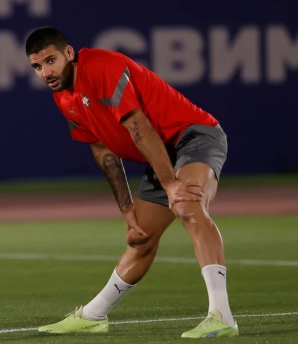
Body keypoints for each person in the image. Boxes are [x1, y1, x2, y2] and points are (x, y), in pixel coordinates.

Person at [25, 27, 238, 339]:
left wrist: (170, 183)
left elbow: (139, 125)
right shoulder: (64, 98)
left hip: (193, 136)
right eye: (37, 66)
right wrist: (127, 209)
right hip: (162, 153)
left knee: (187, 206)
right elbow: (102, 150)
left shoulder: (100, 67)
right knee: (141, 238)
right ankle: (93, 316)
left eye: (50, 61)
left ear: (68, 53)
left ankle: (222, 316)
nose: (46, 72)